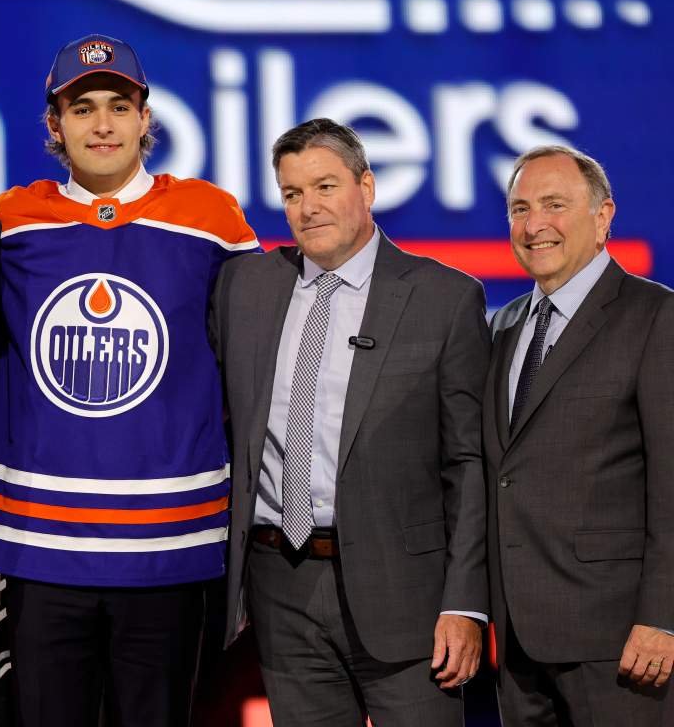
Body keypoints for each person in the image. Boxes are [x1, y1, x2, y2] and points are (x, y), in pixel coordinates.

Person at [0, 33, 258, 727]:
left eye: (118, 106)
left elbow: (256, 357)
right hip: (43, 546)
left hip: (167, 548)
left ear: (144, 117)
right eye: (82, 108)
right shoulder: (9, 221)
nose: (101, 123)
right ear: (54, 125)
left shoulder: (211, 219)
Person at [212, 117, 490, 726]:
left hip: (408, 595)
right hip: (279, 585)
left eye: (325, 187)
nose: (307, 208)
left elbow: (469, 466)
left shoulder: (444, 298)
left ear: (367, 186)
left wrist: (467, 604)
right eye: (291, 194)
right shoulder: (246, 286)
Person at [485, 145, 673, 726]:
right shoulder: (504, 324)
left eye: (553, 204)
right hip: (517, 640)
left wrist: (663, 617)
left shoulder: (656, 317)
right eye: (519, 208)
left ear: (603, 216)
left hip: (619, 640)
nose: (533, 224)